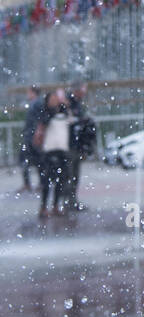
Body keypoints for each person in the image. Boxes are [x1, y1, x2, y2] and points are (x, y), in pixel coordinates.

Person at [35, 90, 73, 219]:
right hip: (49, 150)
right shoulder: (45, 114)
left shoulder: (63, 112)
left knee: (61, 180)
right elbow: (43, 124)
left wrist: (64, 106)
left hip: (62, 149)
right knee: (47, 181)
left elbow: (71, 119)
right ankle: (44, 207)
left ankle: (56, 205)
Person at [67, 83, 95, 211]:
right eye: (82, 90)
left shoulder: (76, 103)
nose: (84, 93)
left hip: (77, 145)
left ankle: (71, 201)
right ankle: (69, 202)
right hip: (71, 145)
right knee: (70, 174)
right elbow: (71, 121)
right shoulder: (69, 103)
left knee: (74, 175)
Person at [19, 86, 43, 192]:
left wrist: (36, 133)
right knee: (34, 160)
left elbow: (40, 119)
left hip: (32, 137)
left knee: (35, 160)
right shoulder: (35, 103)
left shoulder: (36, 103)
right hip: (30, 136)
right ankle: (32, 183)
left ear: (33, 92)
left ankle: (34, 184)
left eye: (28, 92)